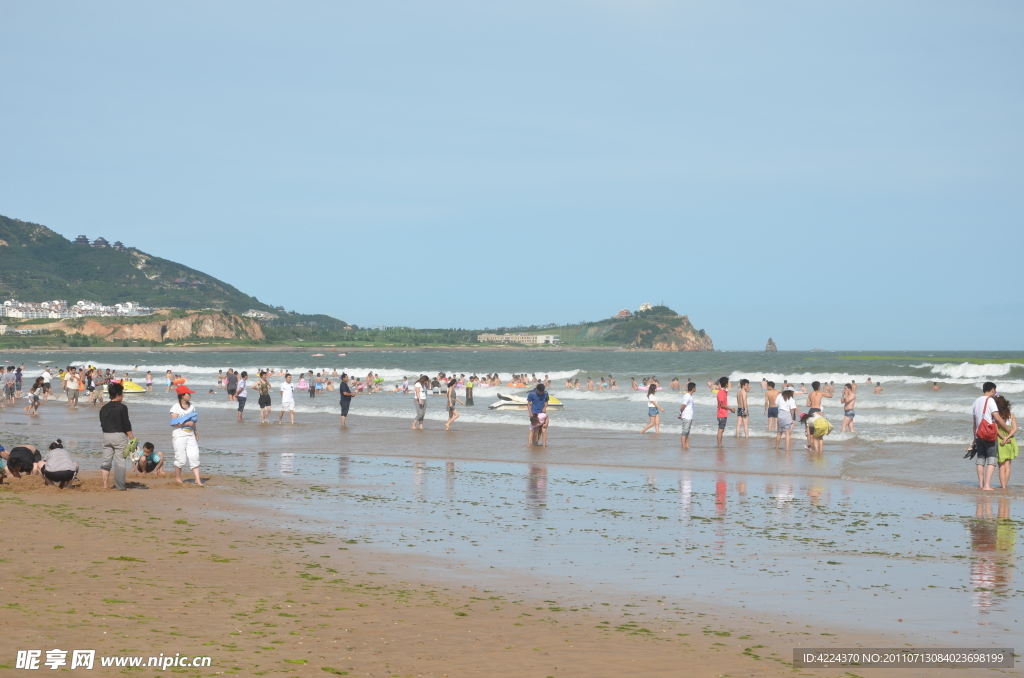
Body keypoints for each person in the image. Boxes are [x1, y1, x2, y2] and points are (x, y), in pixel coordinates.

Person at [99, 382, 135, 491]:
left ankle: (105, 485)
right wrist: (132, 438)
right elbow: (126, 424)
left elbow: (102, 423)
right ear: (118, 394)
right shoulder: (122, 407)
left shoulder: (103, 408)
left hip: (106, 435)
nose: (123, 395)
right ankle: (120, 486)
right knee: (120, 461)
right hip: (119, 436)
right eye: (122, 393)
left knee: (106, 462)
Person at [972, 382, 1006, 491]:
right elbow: (996, 417)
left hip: (979, 434)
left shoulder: (976, 401)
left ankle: (981, 485)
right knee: (992, 459)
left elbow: (974, 422)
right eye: (994, 391)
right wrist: (1007, 428)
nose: (994, 393)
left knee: (980, 459)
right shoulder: (990, 400)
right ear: (992, 390)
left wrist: (974, 438)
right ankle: (987, 485)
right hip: (989, 434)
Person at [170, 384, 202, 486]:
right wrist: (186, 424)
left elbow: (193, 422)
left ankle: (198, 480)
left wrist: (196, 432)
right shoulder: (175, 407)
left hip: (190, 434)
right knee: (181, 458)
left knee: (194, 456)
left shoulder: (192, 406)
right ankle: (178, 479)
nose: (190, 395)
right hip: (179, 435)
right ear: (182, 395)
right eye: (188, 393)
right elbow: (174, 422)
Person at [995, 395, 1017, 489]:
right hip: (1011, 439)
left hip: (1000, 440)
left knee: (1001, 466)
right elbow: (1015, 429)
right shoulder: (1011, 414)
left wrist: (1003, 438)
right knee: (1008, 465)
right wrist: (1007, 437)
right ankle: (1005, 486)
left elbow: (996, 429)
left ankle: (1002, 486)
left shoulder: (996, 415)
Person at [804, 381, 833, 450]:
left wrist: (812, 404)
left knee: (809, 429)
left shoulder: (810, 394)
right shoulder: (821, 393)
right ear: (819, 387)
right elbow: (831, 396)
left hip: (811, 411)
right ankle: (820, 449)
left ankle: (810, 445)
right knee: (819, 430)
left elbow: (807, 404)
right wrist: (830, 391)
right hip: (818, 411)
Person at [715, 377, 735, 447]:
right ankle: (719, 444)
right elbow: (722, 405)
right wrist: (730, 409)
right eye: (728, 383)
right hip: (721, 413)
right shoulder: (721, 393)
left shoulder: (724, 392)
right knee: (720, 430)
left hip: (723, 413)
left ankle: (720, 444)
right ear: (726, 384)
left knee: (721, 430)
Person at [678, 381, 696, 449]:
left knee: (687, 431)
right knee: (685, 431)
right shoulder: (687, 396)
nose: (696, 389)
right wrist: (680, 413)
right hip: (686, 416)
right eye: (695, 387)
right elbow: (683, 406)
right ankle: (683, 445)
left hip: (689, 416)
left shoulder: (690, 396)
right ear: (693, 388)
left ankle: (686, 444)